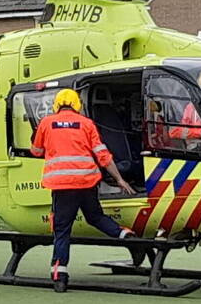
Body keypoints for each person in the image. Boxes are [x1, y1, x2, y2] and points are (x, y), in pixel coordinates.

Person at [30, 88, 136, 292]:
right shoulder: (87, 124)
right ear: (77, 104)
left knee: (62, 230)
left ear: (57, 104)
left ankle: (60, 274)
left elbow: (36, 151)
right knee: (95, 216)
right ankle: (124, 235)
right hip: (87, 182)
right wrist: (119, 179)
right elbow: (103, 155)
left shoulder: (46, 123)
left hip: (62, 186)